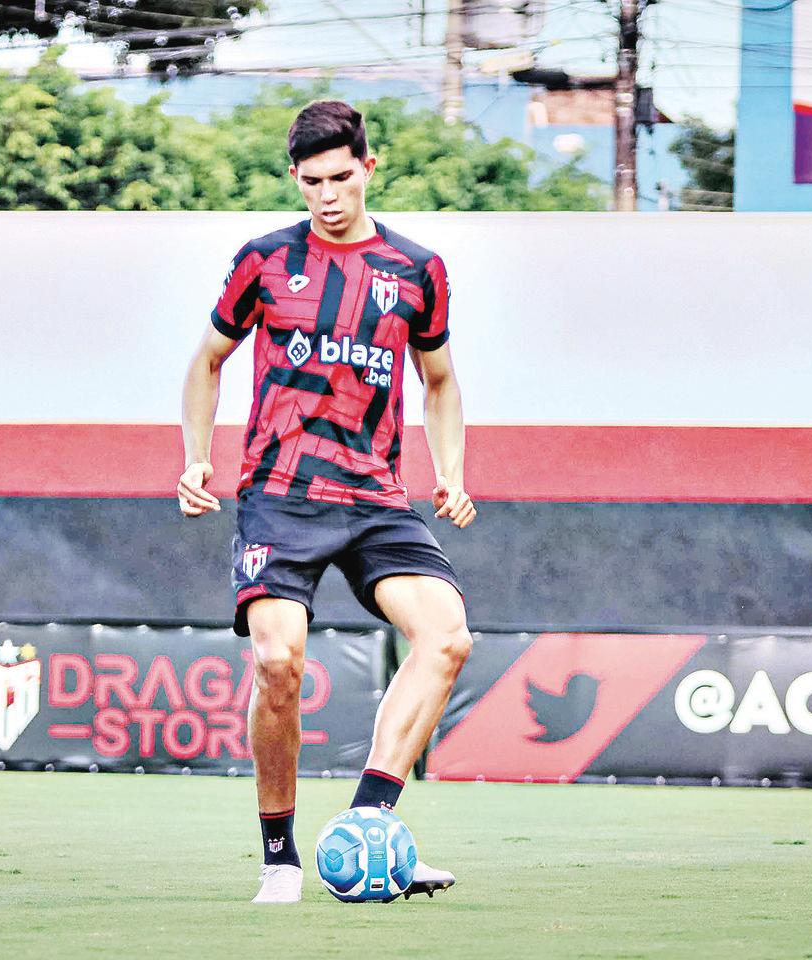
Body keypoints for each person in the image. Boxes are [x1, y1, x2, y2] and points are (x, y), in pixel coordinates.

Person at [178, 100, 476, 904]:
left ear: (369, 169)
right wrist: (197, 458)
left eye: (342, 178)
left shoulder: (418, 270)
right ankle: (279, 858)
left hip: (378, 498)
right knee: (278, 662)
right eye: (312, 182)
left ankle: (368, 826)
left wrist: (449, 470)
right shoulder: (265, 262)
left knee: (447, 639)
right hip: (280, 494)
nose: (328, 196)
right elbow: (207, 362)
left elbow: (440, 381)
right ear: (296, 180)